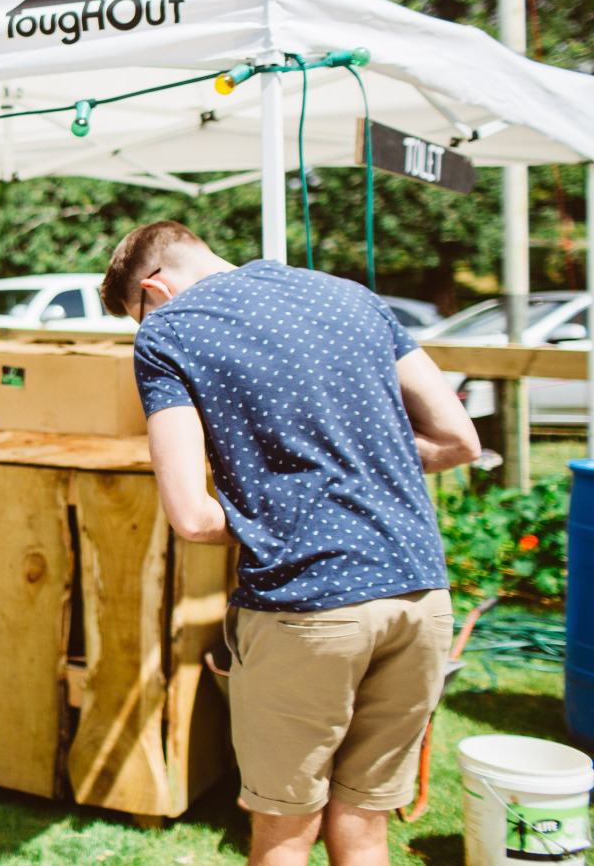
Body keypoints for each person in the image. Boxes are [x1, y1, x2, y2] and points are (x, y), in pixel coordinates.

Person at [99, 222, 478, 866]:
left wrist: (280, 513)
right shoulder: (354, 296)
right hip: (418, 592)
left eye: (138, 313)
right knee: (365, 823)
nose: (145, 326)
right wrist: (355, 469)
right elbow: (457, 441)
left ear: (155, 289)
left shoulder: (169, 330)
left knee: (285, 829)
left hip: (308, 603)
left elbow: (192, 516)